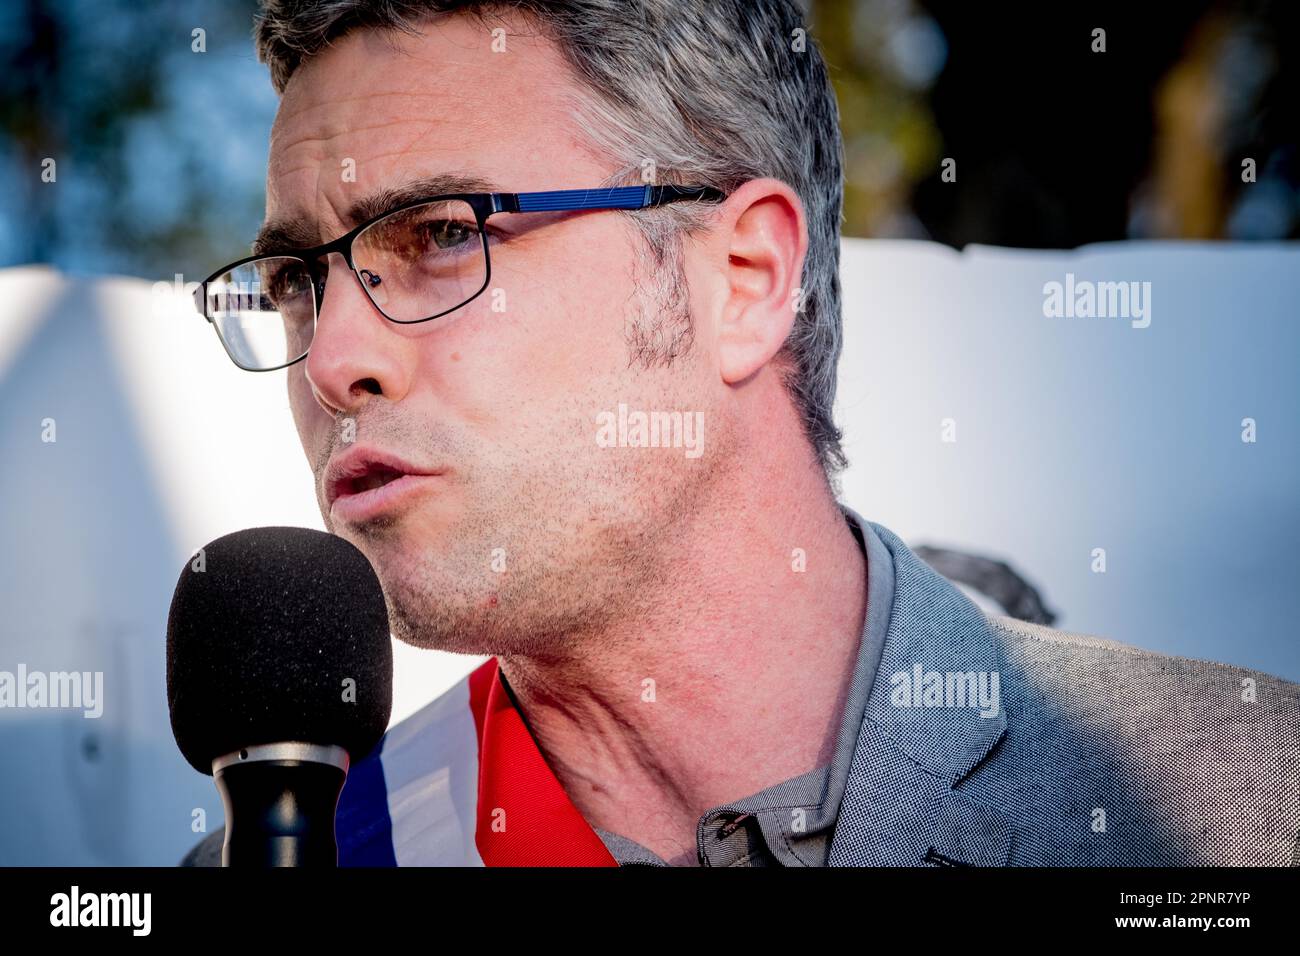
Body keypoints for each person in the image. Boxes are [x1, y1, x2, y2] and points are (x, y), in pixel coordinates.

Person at [183, 0, 1298, 866]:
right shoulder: (289, 854)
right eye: (294, 278)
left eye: (438, 232)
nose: (331, 359)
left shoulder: (1242, 799)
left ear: (746, 279)